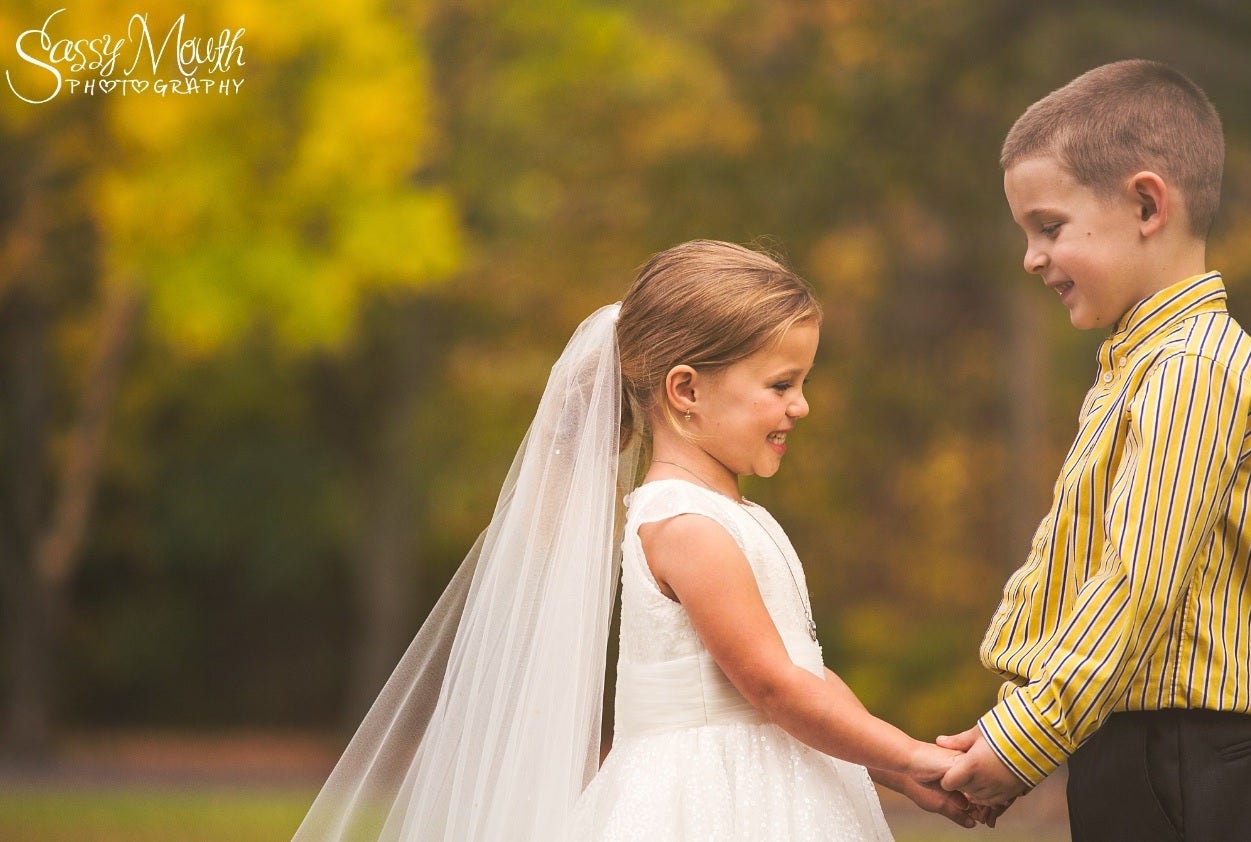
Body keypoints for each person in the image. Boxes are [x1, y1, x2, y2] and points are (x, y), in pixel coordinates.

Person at [294, 239, 982, 841]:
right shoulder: (684, 526)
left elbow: (803, 672)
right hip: (712, 801)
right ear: (685, 389)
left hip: (776, 781)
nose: (799, 405)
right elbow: (772, 687)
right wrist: (914, 755)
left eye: (800, 383)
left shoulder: (738, 517)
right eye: (780, 384)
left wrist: (893, 765)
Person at [939, 60, 1251, 841]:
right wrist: (1014, 714)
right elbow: (1078, 572)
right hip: (1139, 739)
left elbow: (1135, 582)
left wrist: (1021, 740)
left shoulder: (1188, 370)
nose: (1030, 258)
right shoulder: (1139, 366)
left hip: (1185, 753)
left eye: (1048, 227)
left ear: (1147, 204)